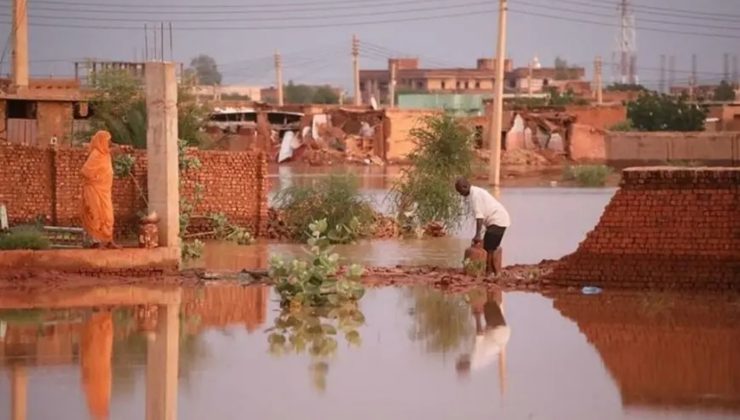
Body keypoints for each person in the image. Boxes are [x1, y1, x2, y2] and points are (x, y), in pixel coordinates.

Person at [455, 177, 510, 276]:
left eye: (460, 191)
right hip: (498, 220)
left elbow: (479, 217)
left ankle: (489, 271)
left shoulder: (475, 195)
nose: (460, 194)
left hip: (498, 220)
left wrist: (477, 235)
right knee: (491, 247)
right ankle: (494, 271)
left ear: (465, 186)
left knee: (488, 248)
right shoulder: (474, 193)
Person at [456, 289, 510, 377]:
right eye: (461, 359)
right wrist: (477, 316)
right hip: (498, 333)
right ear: (464, 363)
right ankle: (490, 286)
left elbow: (482, 335)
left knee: (489, 305)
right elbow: (479, 334)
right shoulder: (475, 358)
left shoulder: (477, 363)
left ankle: (490, 287)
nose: (462, 356)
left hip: (502, 335)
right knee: (489, 305)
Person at [81, 130, 119, 249]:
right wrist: (97, 178)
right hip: (94, 189)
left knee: (108, 215)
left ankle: (108, 240)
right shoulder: (96, 154)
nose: (109, 143)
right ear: (101, 141)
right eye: (107, 140)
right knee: (95, 214)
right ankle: (95, 241)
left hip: (105, 191)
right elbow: (85, 172)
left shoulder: (106, 155)